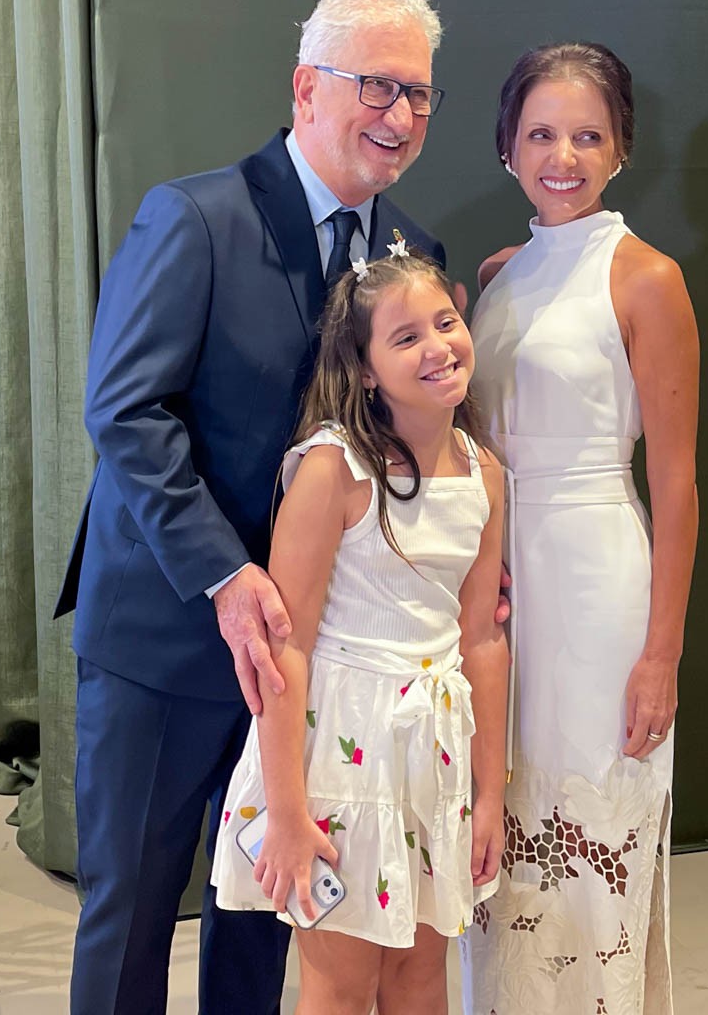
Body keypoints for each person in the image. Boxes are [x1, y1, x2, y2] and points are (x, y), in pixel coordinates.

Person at [53, 0, 449, 1013]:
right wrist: (228, 576)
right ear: (306, 88)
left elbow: (409, 449)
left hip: (311, 657)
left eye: (418, 93)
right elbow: (125, 411)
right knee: (133, 910)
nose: (400, 115)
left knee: (265, 915)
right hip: (170, 634)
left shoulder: (416, 258)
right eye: (376, 86)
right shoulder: (194, 218)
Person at [458, 42, 700, 1014]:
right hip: (496, 582)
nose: (564, 157)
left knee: (591, 825)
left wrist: (661, 655)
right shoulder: (495, 275)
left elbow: (676, 484)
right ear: (508, 147)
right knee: (499, 815)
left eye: (588, 136)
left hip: (598, 582)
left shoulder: (647, 278)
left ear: (622, 148)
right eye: (542, 135)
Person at [212, 246, 509, 1015]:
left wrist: (488, 793)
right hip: (340, 756)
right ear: (366, 370)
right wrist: (287, 811)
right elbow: (287, 646)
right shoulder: (332, 470)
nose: (437, 346)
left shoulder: (483, 472)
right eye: (406, 337)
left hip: (433, 753)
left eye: (444, 323)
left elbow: (481, 638)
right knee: (341, 987)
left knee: (419, 980)